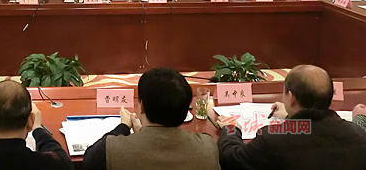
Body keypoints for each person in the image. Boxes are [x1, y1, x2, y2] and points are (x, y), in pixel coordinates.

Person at [218, 65, 366, 170]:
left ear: (291, 98)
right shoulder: (357, 133)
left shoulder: (272, 137)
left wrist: (230, 129)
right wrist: (291, 115)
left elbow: (231, 160)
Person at [84, 67, 220, 170]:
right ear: (186, 112)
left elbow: (90, 159)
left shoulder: (114, 150)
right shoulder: (207, 148)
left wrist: (124, 126)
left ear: (142, 107)